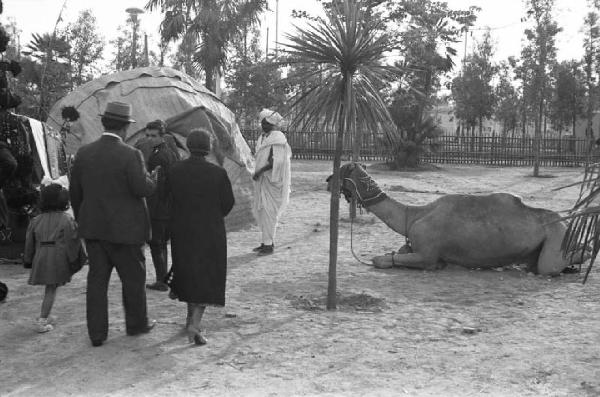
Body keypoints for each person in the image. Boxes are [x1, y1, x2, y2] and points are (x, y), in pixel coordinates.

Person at [69, 101, 157, 347]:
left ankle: (97, 334)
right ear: (125, 128)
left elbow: (75, 193)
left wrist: (82, 220)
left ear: (104, 123)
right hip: (126, 232)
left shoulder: (84, 153)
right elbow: (141, 188)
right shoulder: (131, 154)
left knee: (97, 282)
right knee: (133, 279)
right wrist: (153, 180)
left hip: (94, 230)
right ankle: (136, 324)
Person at [166, 128, 234, 345]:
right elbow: (227, 203)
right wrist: (212, 216)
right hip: (209, 231)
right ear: (208, 148)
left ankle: (189, 320)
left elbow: (167, 200)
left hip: (182, 231)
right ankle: (195, 324)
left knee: (187, 273)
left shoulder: (175, 171)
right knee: (207, 277)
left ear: (188, 146)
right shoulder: (217, 173)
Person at [24, 183, 83, 333]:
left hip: (40, 256)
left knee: (51, 287)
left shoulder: (35, 220)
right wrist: (76, 260)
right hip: (56, 257)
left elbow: (29, 243)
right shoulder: (66, 219)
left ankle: (46, 315)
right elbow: (72, 240)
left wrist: (28, 260)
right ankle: (42, 319)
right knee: (51, 289)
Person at [138, 120, 180, 292]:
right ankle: (163, 278)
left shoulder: (159, 156)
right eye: (147, 135)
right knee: (160, 243)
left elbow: (159, 185)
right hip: (166, 205)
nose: (149, 139)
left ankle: (161, 280)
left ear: (162, 136)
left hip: (159, 206)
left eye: (153, 136)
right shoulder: (170, 152)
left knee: (157, 243)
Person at [251, 109, 292, 256]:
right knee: (262, 211)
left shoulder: (278, 138)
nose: (263, 125)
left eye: (266, 123)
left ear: (273, 124)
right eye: (262, 122)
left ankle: (268, 246)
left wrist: (259, 172)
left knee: (269, 213)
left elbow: (276, 162)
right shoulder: (263, 138)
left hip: (273, 182)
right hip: (263, 181)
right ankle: (265, 243)